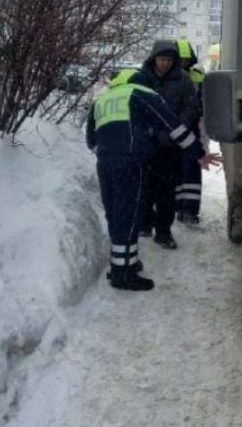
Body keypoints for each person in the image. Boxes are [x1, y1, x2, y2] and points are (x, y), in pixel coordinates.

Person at [86, 69, 210, 291]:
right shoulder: (143, 94)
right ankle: (123, 276)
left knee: (116, 214)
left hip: (105, 162)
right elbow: (174, 126)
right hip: (131, 162)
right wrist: (198, 152)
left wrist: (110, 153)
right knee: (131, 213)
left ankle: (124, 265)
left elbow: (91, 140)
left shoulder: (102, 100)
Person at [139, 40, 200, 249]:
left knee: (167, 192)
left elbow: (191, 108)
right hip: (147, 144)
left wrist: (175, 130)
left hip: (171, 146)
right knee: (145, 187)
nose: (165, 63)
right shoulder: (143, 78)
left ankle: (163, 232)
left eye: (169, 60)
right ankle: (145, 224)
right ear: (154, 58)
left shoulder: (183, 81)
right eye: (162, 59)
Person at [175, 39, 206, 226]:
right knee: (174, 172)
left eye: (186, 60)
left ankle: (190, 211)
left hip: (193, 127)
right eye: (179, 59)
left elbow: (205, 104)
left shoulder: (198, 76)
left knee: (192, 171)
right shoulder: (163, 78)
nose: (183, 63)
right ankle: (178, 208)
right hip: (171, 129)